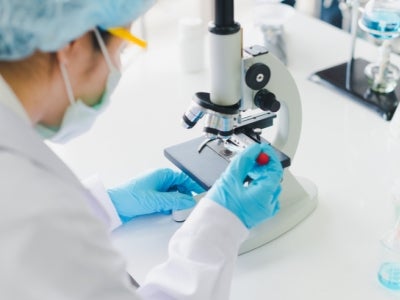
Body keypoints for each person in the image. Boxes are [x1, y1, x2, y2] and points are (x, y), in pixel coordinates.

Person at [0, 0, 283, 299]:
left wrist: (104, 205)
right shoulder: (33, 213)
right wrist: (221, 226)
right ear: (74, 43)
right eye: (120, 49)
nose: (117, 67)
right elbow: (41, 228)